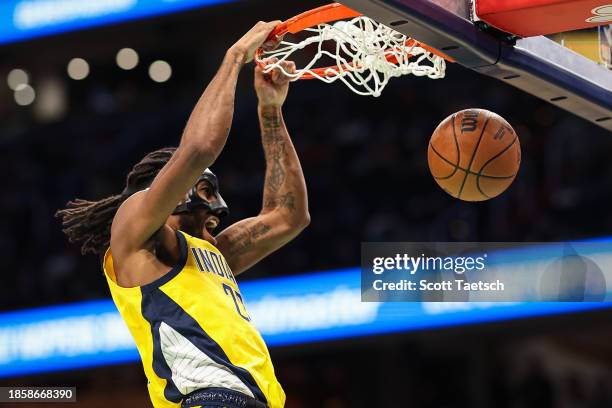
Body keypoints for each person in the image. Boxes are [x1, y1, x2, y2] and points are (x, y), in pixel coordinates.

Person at [56, 21, 309, 408]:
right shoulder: (135, 229)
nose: (221, 207)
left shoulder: (211, 257)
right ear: (168, 188)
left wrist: (270, 109)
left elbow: (288, 216)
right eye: (207, 191)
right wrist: (235, 56)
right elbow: (201, 146)